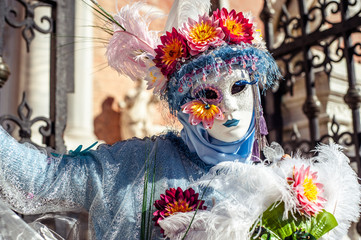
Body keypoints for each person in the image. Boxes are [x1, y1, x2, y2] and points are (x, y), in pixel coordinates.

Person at [0, 1, 359, 239]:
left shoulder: (286, 184)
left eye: (239, 87)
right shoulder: (130, 170)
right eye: (207, 95)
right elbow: (43, 178)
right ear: (185, 105)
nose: (231, 109)